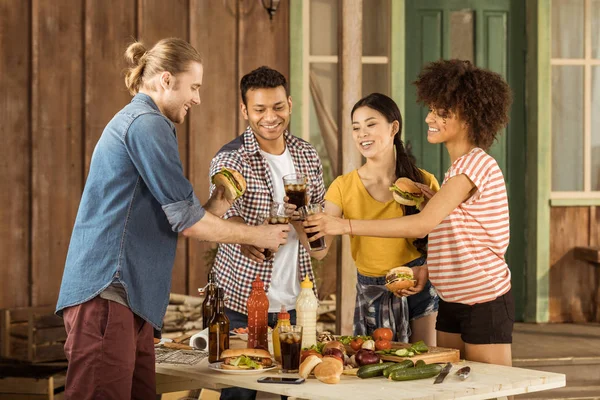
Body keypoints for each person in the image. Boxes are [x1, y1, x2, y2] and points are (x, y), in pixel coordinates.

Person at [55, 39, 289, 400]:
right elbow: (190, 223)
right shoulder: (146, 123)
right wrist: (259, 235)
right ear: (166, 80)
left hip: (130, 300)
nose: (197, 98)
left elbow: (177, 221)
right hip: (108, 293)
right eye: (193, 86)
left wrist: (221, 200)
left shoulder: (151, 124)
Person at [304, 59, 514, 367]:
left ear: (468, 117)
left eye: (441, 112)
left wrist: (344, 225)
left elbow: (423, 225)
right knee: (449, 386)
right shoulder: (454, 171)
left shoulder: (475, 164)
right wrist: (429, 271)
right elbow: (454, 234)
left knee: (491, 390)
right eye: (431, 108)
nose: (429, 117)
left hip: (484, 301)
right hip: (452, 301)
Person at [209, 66, 325, 400]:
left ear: (289, 104)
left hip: (295, 302)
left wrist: (308, 222)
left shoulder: (306, 154)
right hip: (241, 303)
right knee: (239, 394)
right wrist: (247, 237)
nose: (270, 117)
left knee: (296, 391)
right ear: (245, 111)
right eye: (259, 109)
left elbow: (318, 239)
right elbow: (216, 222)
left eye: (277, 107)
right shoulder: (232, 159)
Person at [303, 93, 439, 345]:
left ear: (394, 128)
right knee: (375, 372)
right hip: (372, 293)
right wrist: (297, 219)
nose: (362, 134)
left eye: (371, 124)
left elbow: (442, 240)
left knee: (425, 367)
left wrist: (427, 268)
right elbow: (320, 251)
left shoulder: (423, 182)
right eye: (356, 128)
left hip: (418, 285)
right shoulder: (342, 187)